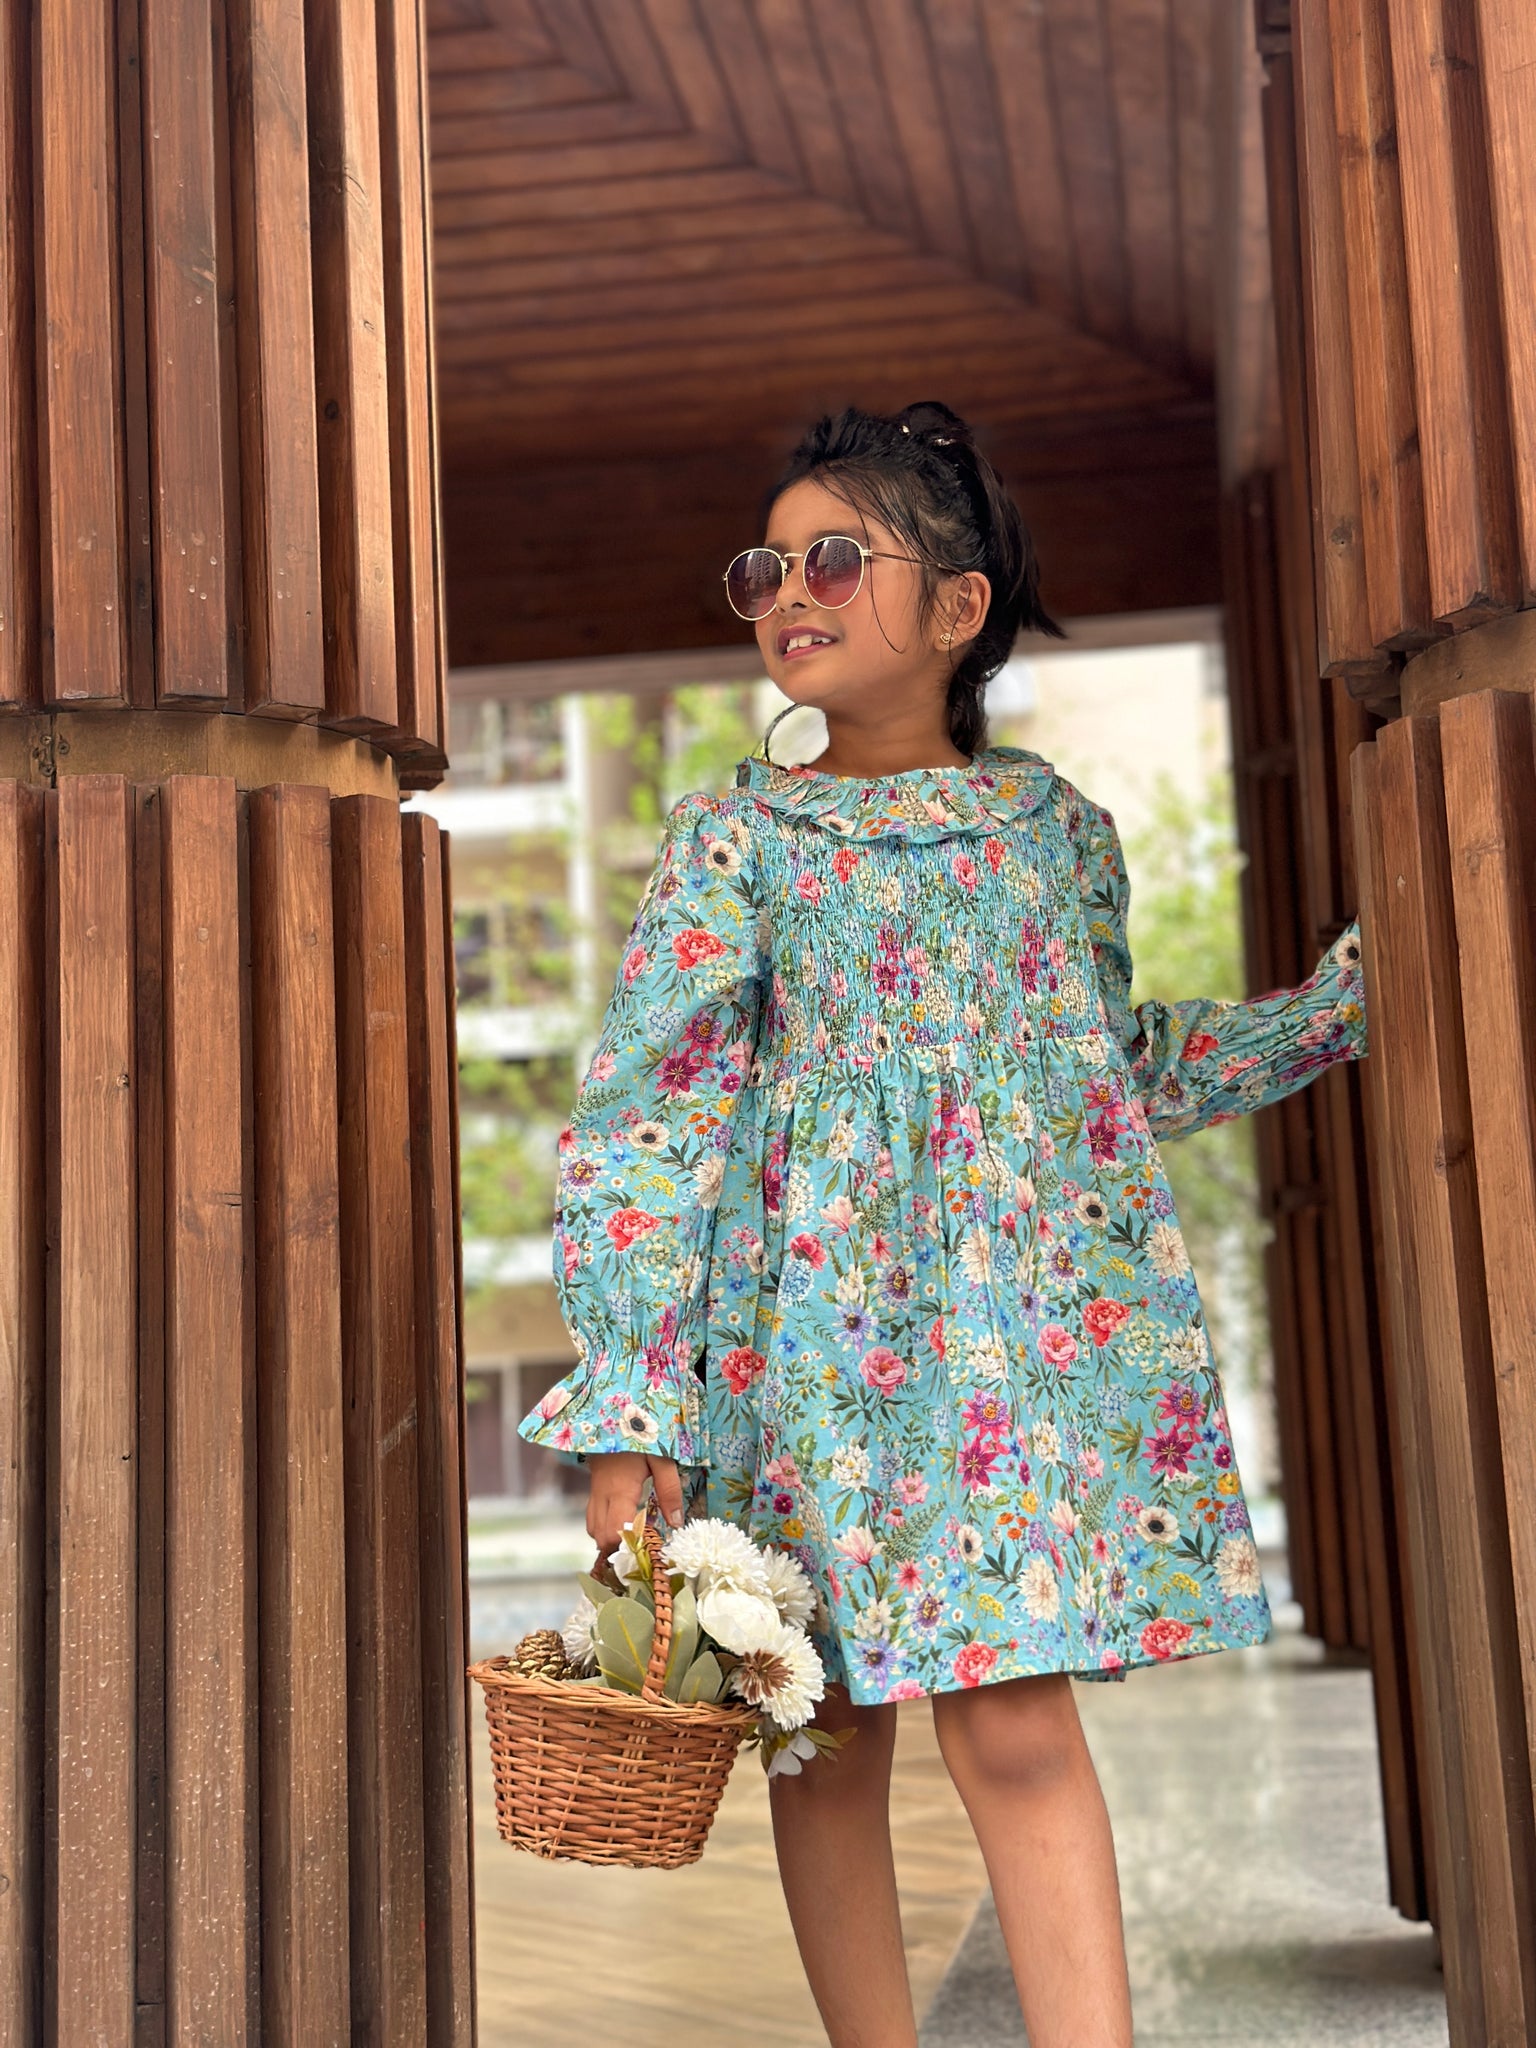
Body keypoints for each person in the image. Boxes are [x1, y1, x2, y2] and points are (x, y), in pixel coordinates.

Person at [519, 401, 1368, 2048]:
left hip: (1002, 1364)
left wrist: (1328, 1019)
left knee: (1021, 1730)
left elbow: (1110, 1068)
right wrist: (630, 1408)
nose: (790, 591)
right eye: (766, 567)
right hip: (798, 1364)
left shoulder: (1056, 833)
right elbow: (648, 1126)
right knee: (825, 1744)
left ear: (961, 607)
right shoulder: (733, 840)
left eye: (837, 559)